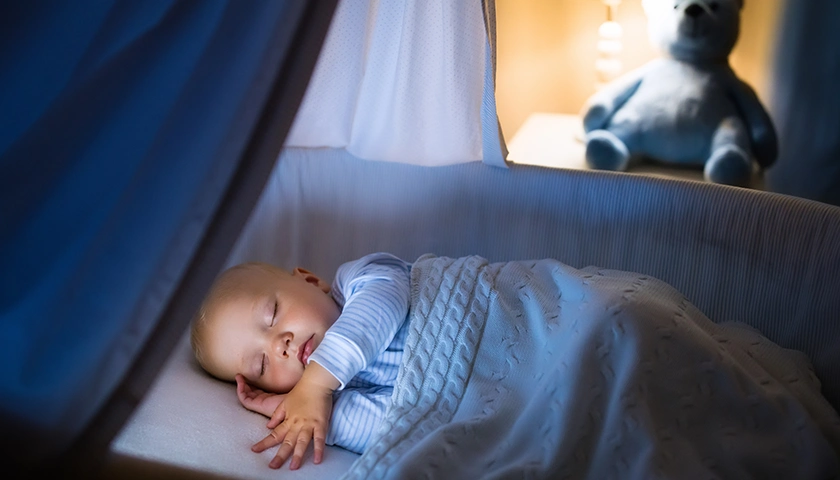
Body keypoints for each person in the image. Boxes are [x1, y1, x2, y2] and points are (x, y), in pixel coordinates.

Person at [190, 252, 412, 471]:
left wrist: (315, 383)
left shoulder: (356, 280)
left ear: (310, 281)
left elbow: (386, 297)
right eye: (262, 364)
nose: (279, 346)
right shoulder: (335, 395)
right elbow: (406, 430)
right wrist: (300, 410)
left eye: (273, 314)